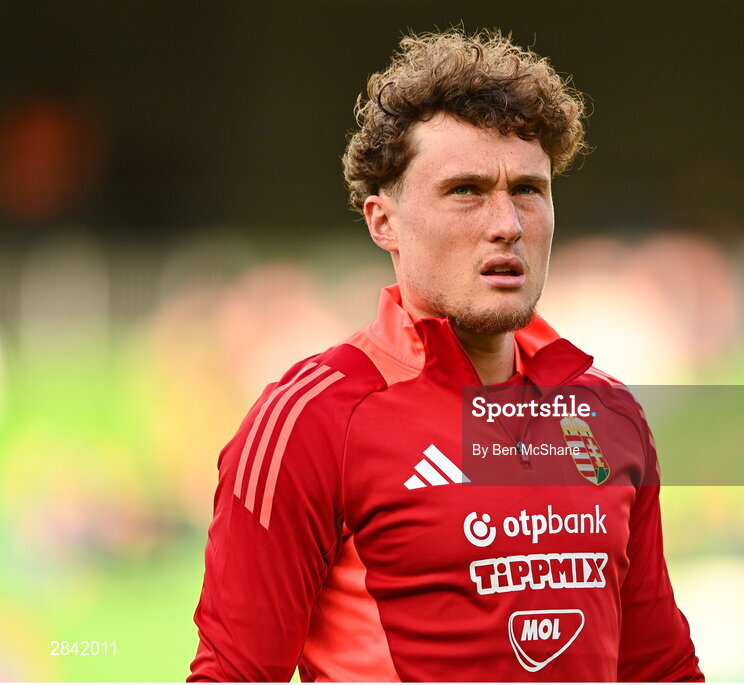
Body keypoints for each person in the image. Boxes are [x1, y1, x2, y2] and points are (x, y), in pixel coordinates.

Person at [188, 29, 702, 682]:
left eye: (528, 189)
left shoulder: (609, 413)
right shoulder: (311, 420)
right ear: (384, 222)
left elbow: (660, 668)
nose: (507, 223)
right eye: (465, 190)